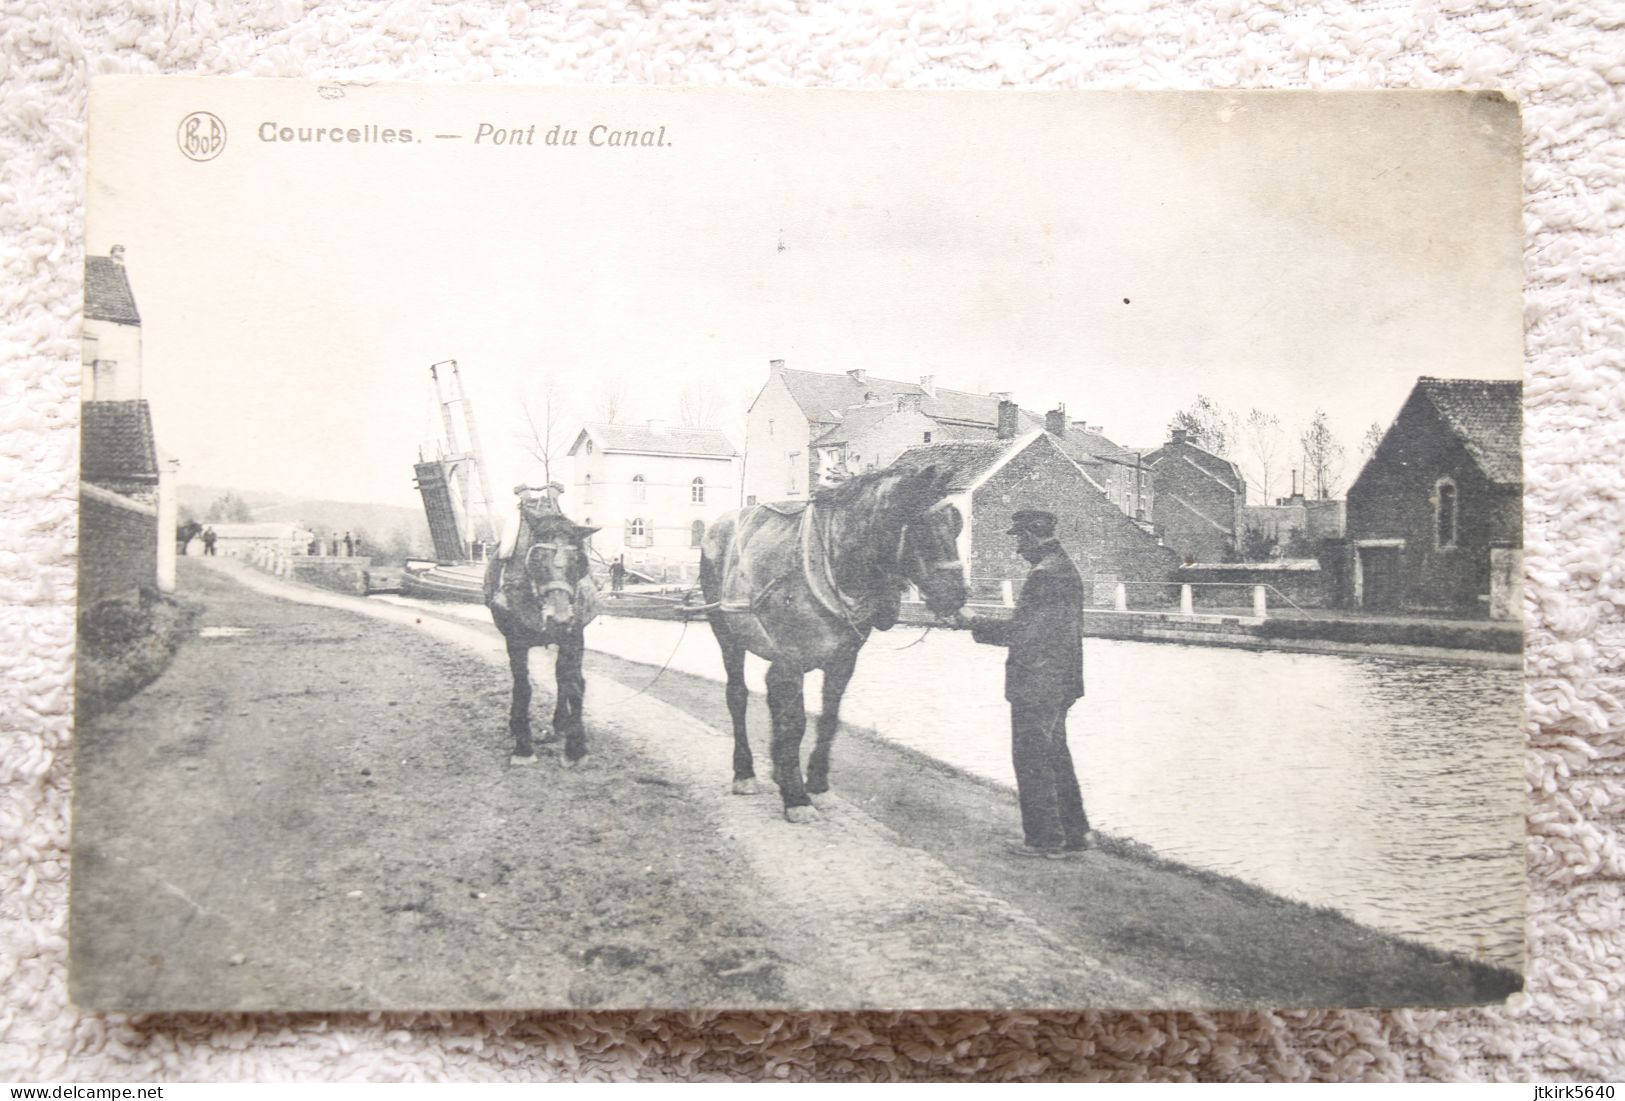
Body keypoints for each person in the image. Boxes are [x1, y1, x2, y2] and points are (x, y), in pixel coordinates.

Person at [956, 509, 1093, 859]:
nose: (1017, 548)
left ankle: (1045, 840)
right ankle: (1075, 833)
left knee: (1032, 757)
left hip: (1038, 682)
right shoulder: (1063, 568)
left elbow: (1025, 634)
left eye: (1019, 539)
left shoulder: (1045, 575)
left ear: (1033, 536)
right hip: (1061, 680)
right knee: (1056, 755)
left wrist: (973, 623)